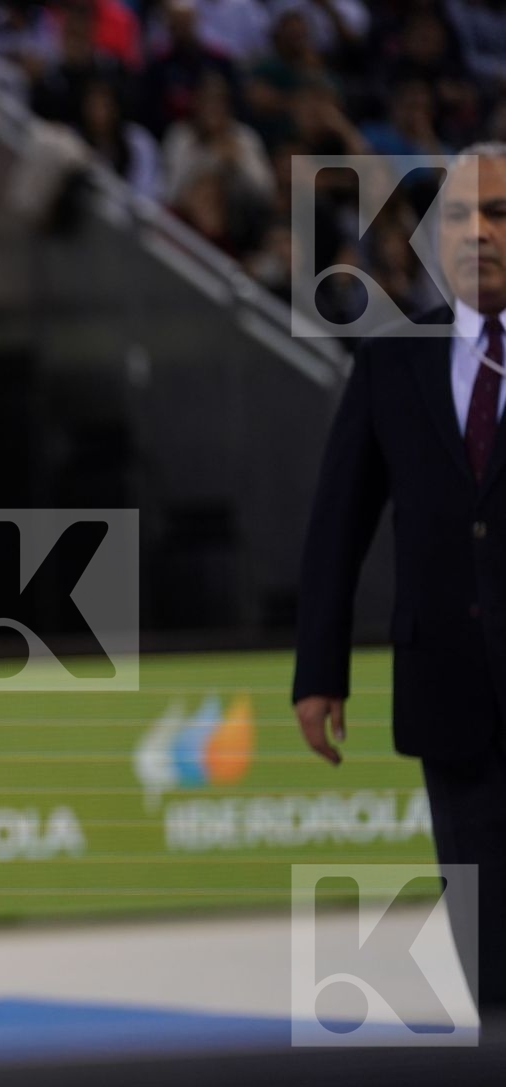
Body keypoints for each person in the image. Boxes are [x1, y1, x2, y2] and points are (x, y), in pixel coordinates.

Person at [294, 145, 506, 1016]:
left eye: (498, 214)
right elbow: (336, 528)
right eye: (457, 216)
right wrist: (319, 673)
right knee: (489, 956)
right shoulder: (390, 361)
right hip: (449, 690)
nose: (478, 232)